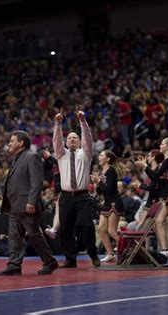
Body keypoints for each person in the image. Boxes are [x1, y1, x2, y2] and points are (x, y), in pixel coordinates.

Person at [0, 130, 58, 276]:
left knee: (34, 234)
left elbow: (37, 182)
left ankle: (50, 262)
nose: (9, 144)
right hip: (14, 205)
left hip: (26, 205)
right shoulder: (16, 159)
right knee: (14, 236)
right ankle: (14, 265)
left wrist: (31, 201)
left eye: (12, 141)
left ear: (21, 142)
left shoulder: (32, 156)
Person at [53, 108, 100, 268]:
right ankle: (70, 259)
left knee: (87, 226)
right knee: (65, 229)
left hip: (82, 196)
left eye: (75, 138)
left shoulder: (85, 154)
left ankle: (92, 253)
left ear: (79, 142)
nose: (72, 139)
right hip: (66, 196)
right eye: (70, 138)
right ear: (66, 142)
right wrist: (58, 124)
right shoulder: (61, 154)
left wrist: (82, 122)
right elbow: (56, 141)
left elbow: (88, 138)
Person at [136, 138, 168, 258]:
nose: (160, 145)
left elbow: (155, 176)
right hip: (165, 195)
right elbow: (154, 178)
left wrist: (145, 166)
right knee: (158, 221)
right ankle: (165, 250)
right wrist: (146, 166)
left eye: (162, 143)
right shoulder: (164, 161)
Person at [90, 150, 124, 262]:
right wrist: (96, 183)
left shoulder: (111, 171)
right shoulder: (101, 172)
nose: (99, 157)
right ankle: (110, 254)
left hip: (114, 202)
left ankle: (130, 248)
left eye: (101, 156)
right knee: (101, 229)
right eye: (99, 155)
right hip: (107, 202)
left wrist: (99, 181)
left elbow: (109, 189)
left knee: (111, 231)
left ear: (108, 159)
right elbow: (101, 191)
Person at [42, 149, 61, 239]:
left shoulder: (64, 159)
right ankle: (54, 229)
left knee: (59, 211)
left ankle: (54, 229)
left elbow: (59, 163)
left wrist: (50, 157)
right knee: (58, 211)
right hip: (58, 191)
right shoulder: (53, 161)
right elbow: (45, 169)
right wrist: (46, 159)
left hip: (65, 189)